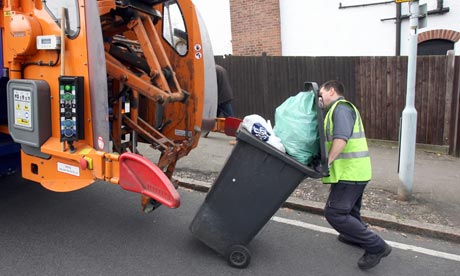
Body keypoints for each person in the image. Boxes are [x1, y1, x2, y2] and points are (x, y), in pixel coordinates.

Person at [319, 80, 391, 270]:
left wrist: (326, 163)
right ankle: (353, 236)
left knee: (335, 212)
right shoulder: (336, 110)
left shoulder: (340, 109)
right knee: (351, 211)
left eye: (321, 93)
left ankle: (377, 247)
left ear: (331, 91)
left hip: (350, 173)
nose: (319, 97)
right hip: (356, 170)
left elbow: (341, 139)